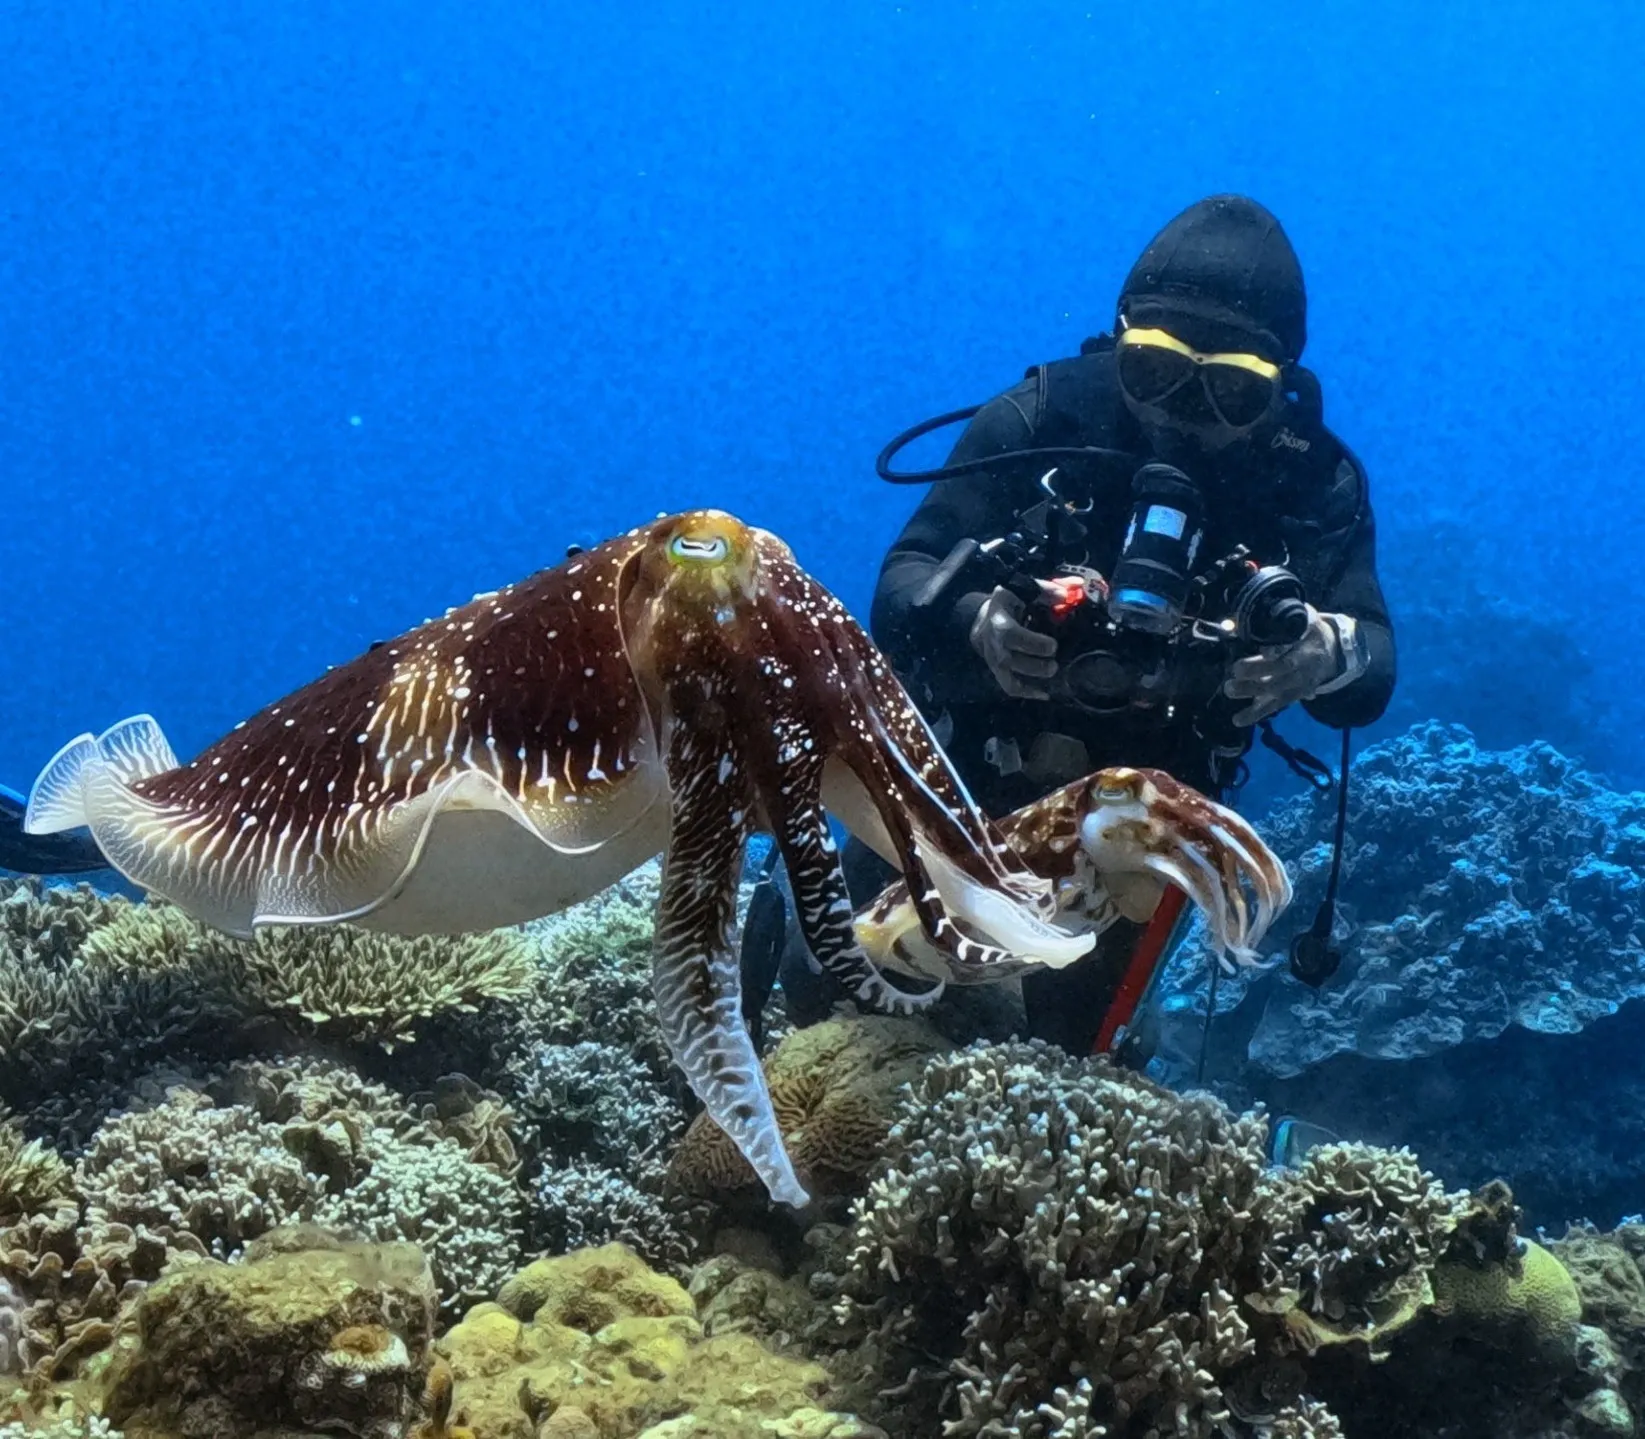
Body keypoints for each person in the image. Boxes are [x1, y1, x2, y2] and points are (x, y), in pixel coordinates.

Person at [860, 194, 1396, 1053]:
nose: (1183, 411)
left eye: (1230, 390)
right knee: (849, 988)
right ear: (1117, 342)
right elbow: (902, 584)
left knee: (1075, 1058)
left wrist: (1324, 650)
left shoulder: (1311, 482)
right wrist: (975, 621)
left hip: (1135, 850)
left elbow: (1370, 669)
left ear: (1278, 387)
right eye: (1152, 370)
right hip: (956, 777)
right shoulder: (1041, 416)